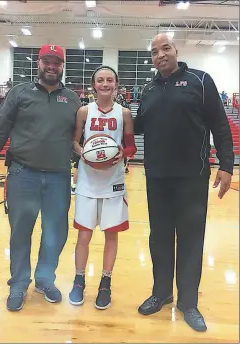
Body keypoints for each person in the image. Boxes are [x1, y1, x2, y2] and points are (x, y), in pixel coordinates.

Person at [0, 44, 81, 312]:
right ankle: (19, 283)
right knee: (21, 232)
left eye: (57, 62)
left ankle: (44, 280)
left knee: (55, 233)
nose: (52, 66)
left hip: (59, 177)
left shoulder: (74, 100)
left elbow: (80, 141)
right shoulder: (19, 93)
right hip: (22, 174)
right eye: (47, 61)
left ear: (62, 66)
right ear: (39, 63)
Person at [134, 34, 234, 332]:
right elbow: (137, 126)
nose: (160, 55)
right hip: (157, 177)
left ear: (176, 50)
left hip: (193, 175)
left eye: (165, 48)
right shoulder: (149, 89)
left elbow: (219, 124)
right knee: (160, 238)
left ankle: (188, 302)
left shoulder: (200, 80)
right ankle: (161, 292)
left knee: (190, 240)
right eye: (154, 52)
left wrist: (226, 165)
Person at [69, 66, 137, 309]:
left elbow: (131, 147)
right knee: (84, 235)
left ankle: (105, 283)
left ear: (116, 84)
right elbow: (75, 142)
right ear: (94, 85)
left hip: (114, 181)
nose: (105, 84)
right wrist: (83, 154)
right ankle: (79, 280)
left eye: (110, 80)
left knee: (111, 234)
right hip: (88, 180)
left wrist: (123, 153)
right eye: (101, 80)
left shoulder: (125, 113)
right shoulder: (84, 111)